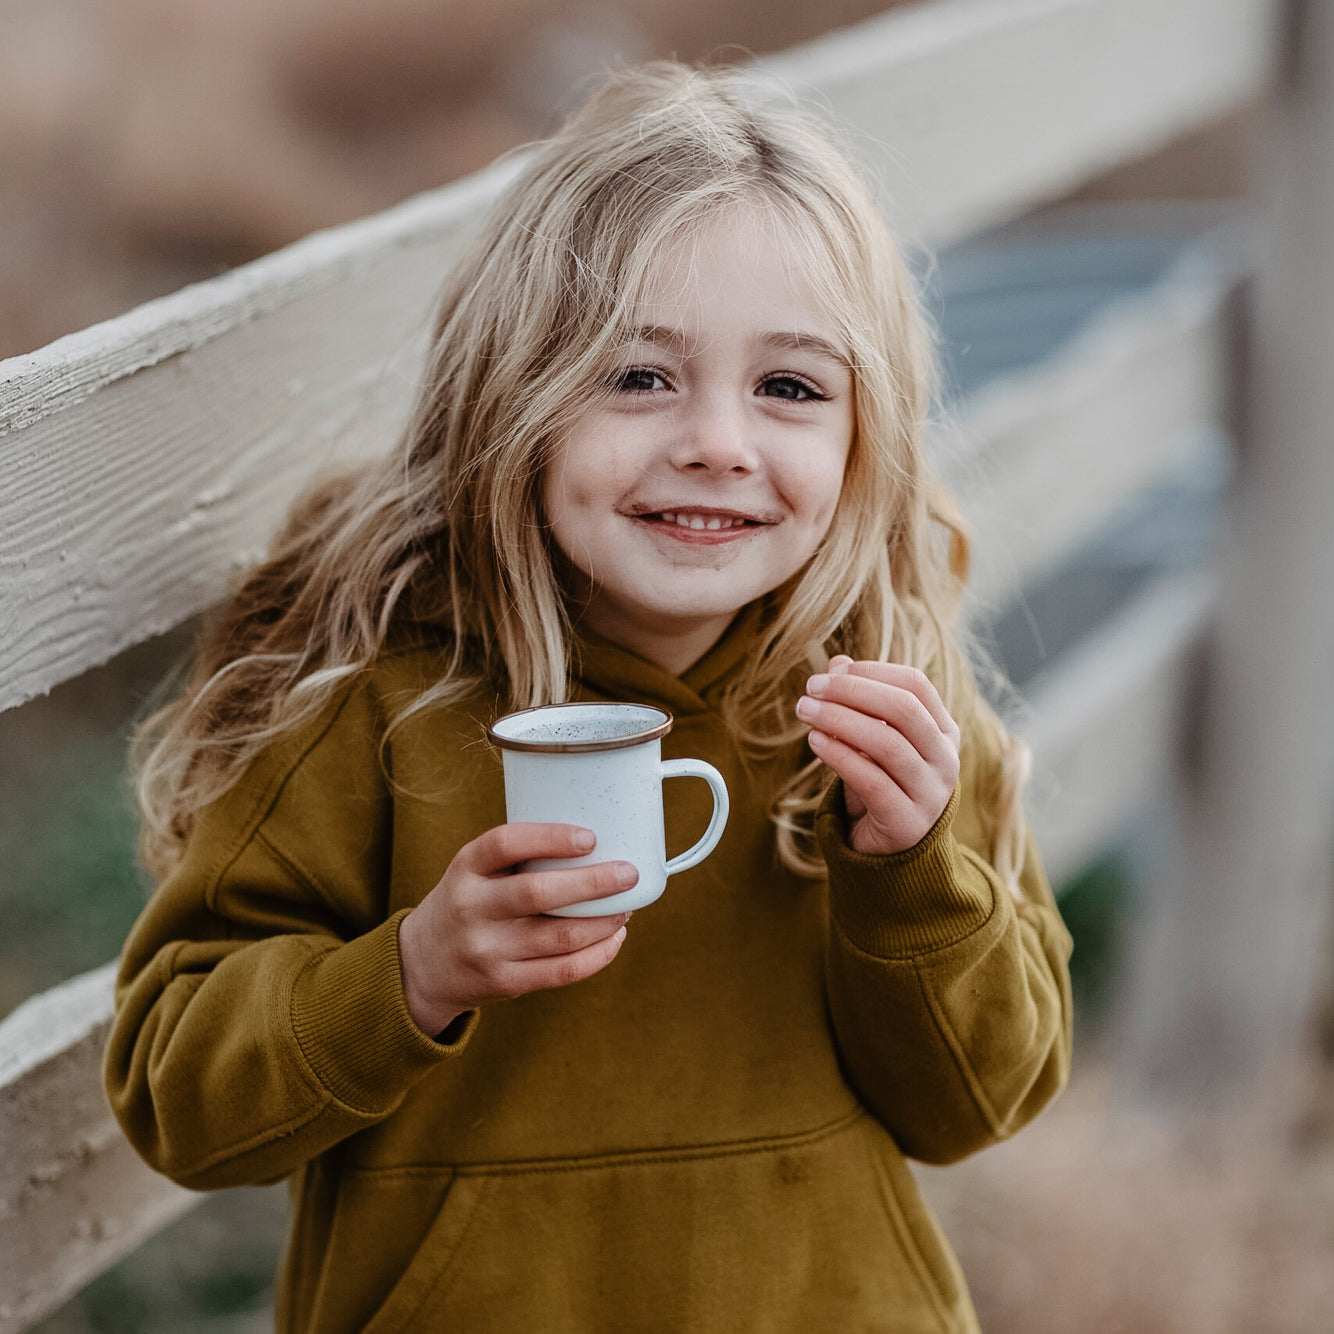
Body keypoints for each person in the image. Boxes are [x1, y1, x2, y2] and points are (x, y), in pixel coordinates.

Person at [105, 60, 1073, 1333]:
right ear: (512, 399)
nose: (718, 440)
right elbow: (178, 1093)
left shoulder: (886, 707)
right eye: (637, 375)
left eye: (788, 387)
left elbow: (981, 1100)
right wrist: (412, 972)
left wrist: (910, 867)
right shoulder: (371, 700)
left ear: (862, 437)